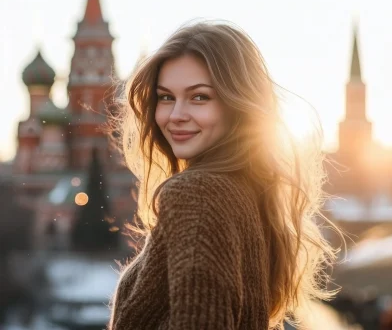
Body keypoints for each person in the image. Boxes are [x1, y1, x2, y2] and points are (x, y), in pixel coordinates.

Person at [107, 20, 338, 330]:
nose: (176, 115)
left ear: (236, 105)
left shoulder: (198, 193)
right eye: (165, 97)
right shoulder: (244, 193)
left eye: (199, 97)